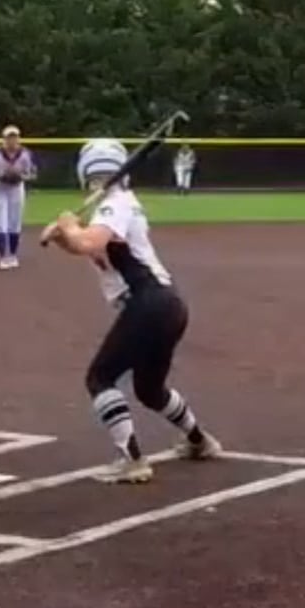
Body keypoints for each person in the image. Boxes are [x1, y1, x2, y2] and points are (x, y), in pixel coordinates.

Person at [42, 138, 221, 484]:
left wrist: (70, 226)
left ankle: (133, 460)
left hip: (147, 303)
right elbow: (89, 247)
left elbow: (90, 241)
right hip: (166, 305)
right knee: (149, 389)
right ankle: (200, 441)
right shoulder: (115, 206)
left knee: (100, 378)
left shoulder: (116, 204)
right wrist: (63, 236)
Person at [0, 126, 37, 270]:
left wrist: (20, 176)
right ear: (4, 139)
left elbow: (33, 174)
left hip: (16, 189)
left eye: (15, 137)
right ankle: (2, 257)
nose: (12, 140)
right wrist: (1, 175)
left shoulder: (26, 154)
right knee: (0, 223)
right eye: (9, 137)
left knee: (15, 222)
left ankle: (13, 255)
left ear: (18, 138)